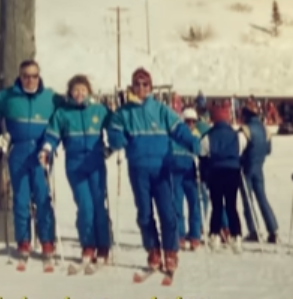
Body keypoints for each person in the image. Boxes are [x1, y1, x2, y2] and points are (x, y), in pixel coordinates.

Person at [105, 67, 199, 274]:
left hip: (162, 168)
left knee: (168, 212)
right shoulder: (124, 112)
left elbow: (179, 130)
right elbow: (114, 131)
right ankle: (153, 250)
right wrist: (117, 139)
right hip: (138, 169)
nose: (141, 88)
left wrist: (193, 143)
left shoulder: (161, 110)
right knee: (145, 214)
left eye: (145, 84)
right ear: (132, 86)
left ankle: (171, 251)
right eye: (137, 84)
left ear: (151, 87)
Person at [42, 74, 111, 269]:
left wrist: (113, 146)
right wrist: (47, 148)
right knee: (85, 206)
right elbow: (52, 134)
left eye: (83, 90)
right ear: (70, 92)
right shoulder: (63, 113)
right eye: (75, 90)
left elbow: (115, 127)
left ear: (89, 91)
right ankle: (88, 245)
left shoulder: (99, 110)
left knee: (98, 205)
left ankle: (103, 245)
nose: (79, 94)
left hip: (96, 162)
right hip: (75, 164)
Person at [0, 59, 58, 266]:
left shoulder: (50, 98)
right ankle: (24, 241)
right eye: (26, 76)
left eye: (34, 76)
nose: (30, 80)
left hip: (40, 152)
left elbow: (59, 124)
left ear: (39, 76)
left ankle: (47, 240)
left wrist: (49, 146)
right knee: (20, 200)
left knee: (42, 198)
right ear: (20, 77)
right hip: (18, 151)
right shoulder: (7, 96)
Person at [199, 101, 247, 253]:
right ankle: (236, 235)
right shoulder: (237, 135)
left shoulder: (208, 136)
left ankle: (215, 235)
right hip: (233, 172)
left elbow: (203, 154)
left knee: (217, 206)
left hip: (216, 172)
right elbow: (241, 151)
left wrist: (204, 174)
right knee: (232, 205)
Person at [239, 97, 279, 244]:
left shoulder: (245, 130)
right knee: (262, 198)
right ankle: (272, 229)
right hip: (259, 167)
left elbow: (239, 149)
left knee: (248, 201)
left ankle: (253, 230)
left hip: (246, 168)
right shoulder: (265, 130)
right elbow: (268, 150)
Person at [172, 108, 204, 251]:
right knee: (177, 204)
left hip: (190, 172)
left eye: (193, 121)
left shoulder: (196, 134)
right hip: (176, 171)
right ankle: (180, 235)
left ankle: (195, 235)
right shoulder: (176, 133)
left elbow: (199, 150)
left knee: (194, 204)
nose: (190, 124)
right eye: (187, 121)